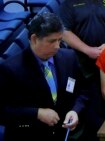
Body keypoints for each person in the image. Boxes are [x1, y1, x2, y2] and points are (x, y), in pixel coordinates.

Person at [0, 12, 89, 141]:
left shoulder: (69, 58)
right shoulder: (10, 69)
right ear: (34, 39)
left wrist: (75, 111)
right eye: (52, 41)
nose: (58, 46)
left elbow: (83, 90)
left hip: (62, 134)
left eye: (60, 40)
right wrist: (37, 113)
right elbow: (3, 111)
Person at [59, 0, 105, 140]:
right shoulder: (68, 3)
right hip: (81, 62)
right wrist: (87, 50)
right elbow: (64, 31)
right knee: (87, 104)